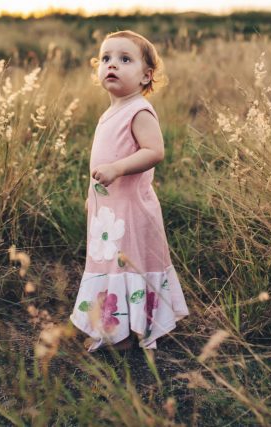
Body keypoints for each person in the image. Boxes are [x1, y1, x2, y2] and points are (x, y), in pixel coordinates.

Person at [69, 30, 190, 356]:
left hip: (132, 212)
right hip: (109, 213)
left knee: (127, 266)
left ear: (145, 76)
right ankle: (112, 325)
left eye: (125, 59)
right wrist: (92, 196)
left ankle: (128, 332)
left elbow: (154, 151)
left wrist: (118, 168)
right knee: (110, 266)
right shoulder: (110, 112)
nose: (113, 65)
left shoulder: (138, 110)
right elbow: (101, 165)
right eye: (106, 58)